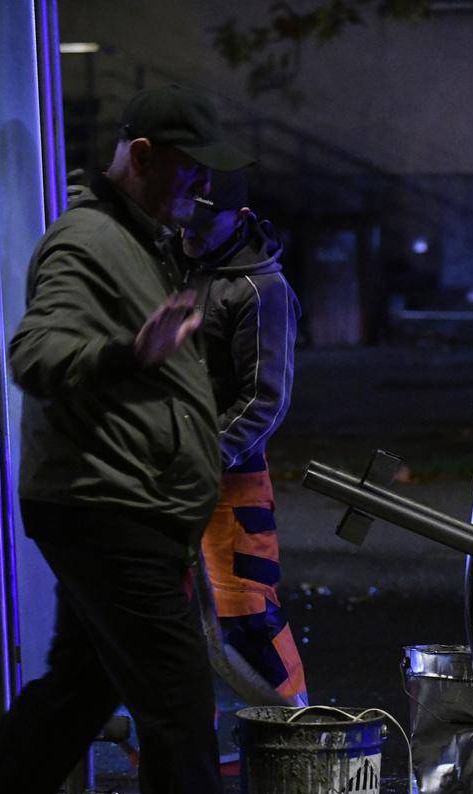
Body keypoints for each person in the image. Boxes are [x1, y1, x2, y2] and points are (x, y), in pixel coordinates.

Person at [0, 84, 295, 794]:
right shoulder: (86, 240)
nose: (203, 190)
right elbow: (35, 353)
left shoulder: (135, 238)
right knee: (179, 693)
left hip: (117, 499)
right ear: (143, 155)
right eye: (190, 171)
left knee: (79, 688)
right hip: (105, 503)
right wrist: (133, 349)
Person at [180, 168, 309, 719]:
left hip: (228, 481)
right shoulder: (188, 265)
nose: (191, 229)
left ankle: (303, 733)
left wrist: (205, 454)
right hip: (178, 474)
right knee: (175, 619)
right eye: (189, 214)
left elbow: (266, 400)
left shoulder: (264, 289)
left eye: (205, 220)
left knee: (247, 617)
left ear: (241, 218)